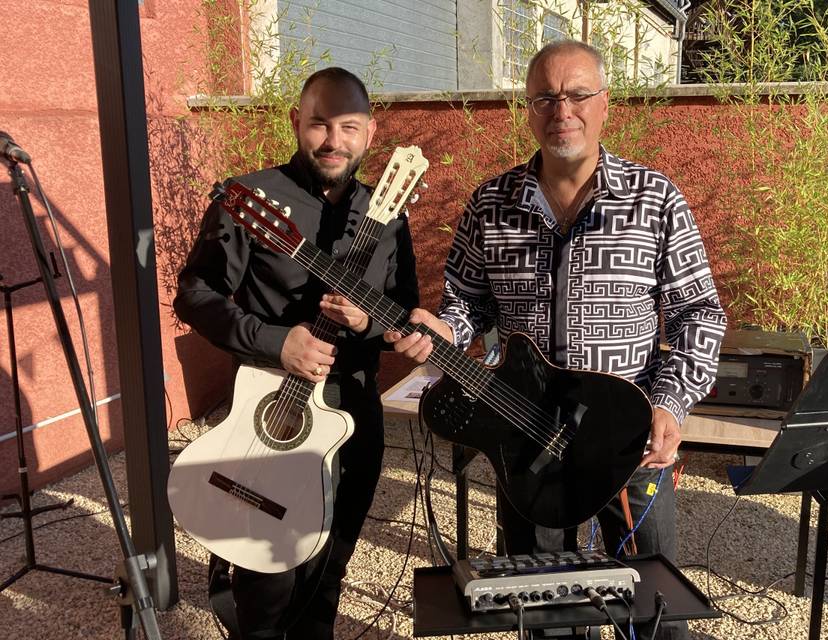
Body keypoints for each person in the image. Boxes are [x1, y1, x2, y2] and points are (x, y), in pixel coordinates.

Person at [385, 40, 725, 639]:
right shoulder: (490, 203)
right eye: (544, 96)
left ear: (605, 104)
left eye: (576, 94)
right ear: (527, 107)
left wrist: (671, 403)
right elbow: (465, 303)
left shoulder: (655, 199)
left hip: (629, 434)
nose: (560, 109)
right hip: (524, 435)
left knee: (654, 610)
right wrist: (447, 329)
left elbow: (699, 314)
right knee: (541, 610)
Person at [174, 67, 419, 640]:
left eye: (349, 127)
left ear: (370, 132)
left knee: (329, 570)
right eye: (320, 125)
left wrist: (371, 320)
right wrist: (274, 340)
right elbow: (195, 292)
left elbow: (403, 308)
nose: (333, 141)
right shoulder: (253, 198)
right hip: (271, 411)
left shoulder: (388, 213)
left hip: (355, 410)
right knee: (266, 576)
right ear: (296, 124)